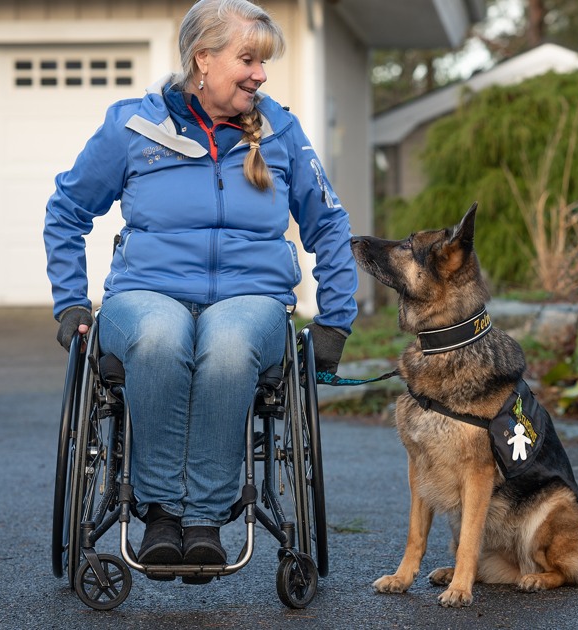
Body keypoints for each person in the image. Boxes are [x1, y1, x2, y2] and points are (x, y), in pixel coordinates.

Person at [43, 0, 357, 584]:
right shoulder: (132, 127)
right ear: (203, 59)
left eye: (264, 62)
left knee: (229, 342)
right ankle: (162, 514)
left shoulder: (281, 129)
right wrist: (71, 302)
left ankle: (206, 519)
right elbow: (67, 210)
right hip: (145, 295)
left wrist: (336, 318)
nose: (260, 74)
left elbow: (329, 223)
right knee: (162, 336)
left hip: (251, 299)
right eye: (248, 59)